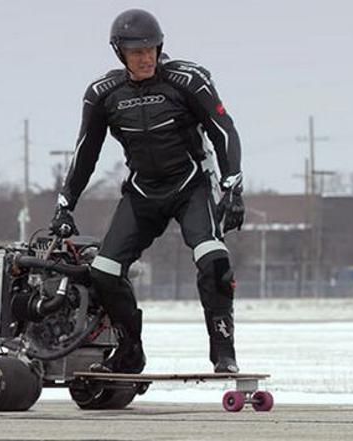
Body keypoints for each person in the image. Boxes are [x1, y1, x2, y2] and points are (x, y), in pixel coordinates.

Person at [50, 9, 245, 374]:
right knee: (104, 272)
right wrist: (65, 206)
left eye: (151, 49)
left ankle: (224, 353)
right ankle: (129, 352)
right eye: (136, 51)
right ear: (119, 53)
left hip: (190, 185)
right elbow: (85, 153)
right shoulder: (103, 94)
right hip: (143, 191)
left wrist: (233, 186)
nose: (145, 57)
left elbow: (224, 131)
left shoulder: (188, 80)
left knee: (214, 261)